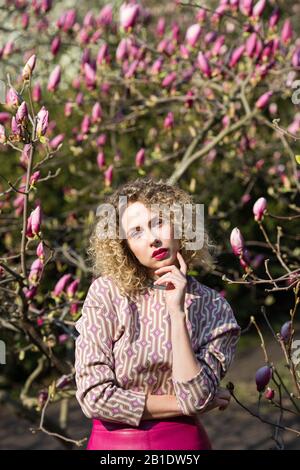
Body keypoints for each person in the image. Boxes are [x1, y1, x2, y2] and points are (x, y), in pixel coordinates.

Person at [74, 177, 241, 450]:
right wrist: (185, 403)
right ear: (125, 246)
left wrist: (177, 313)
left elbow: (196, 395)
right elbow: (94, 396)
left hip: (183, 446)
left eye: (158, 222)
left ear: (180, 225)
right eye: (136, 231)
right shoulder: (106, 294)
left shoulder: (213, 307)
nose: (152, 239)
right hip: (113, 448)